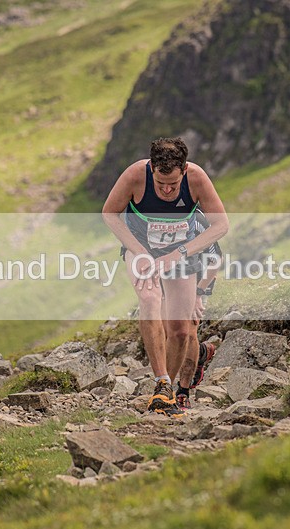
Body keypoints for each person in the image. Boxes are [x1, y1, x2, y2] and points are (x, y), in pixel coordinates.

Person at [102, 137, 229, 417]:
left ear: (184, 170)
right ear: (152, 170)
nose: (168, 190)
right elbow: (109, 213)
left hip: (181, 253)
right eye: (161, 185)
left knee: (182, 330)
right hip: (141, 248)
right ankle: (161, 381)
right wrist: (139, 252)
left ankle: (168, 390)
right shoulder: (136, 174)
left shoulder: (197, 178)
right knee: (150, 297)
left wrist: (180, 254)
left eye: (173, 184)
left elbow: (221, 225)